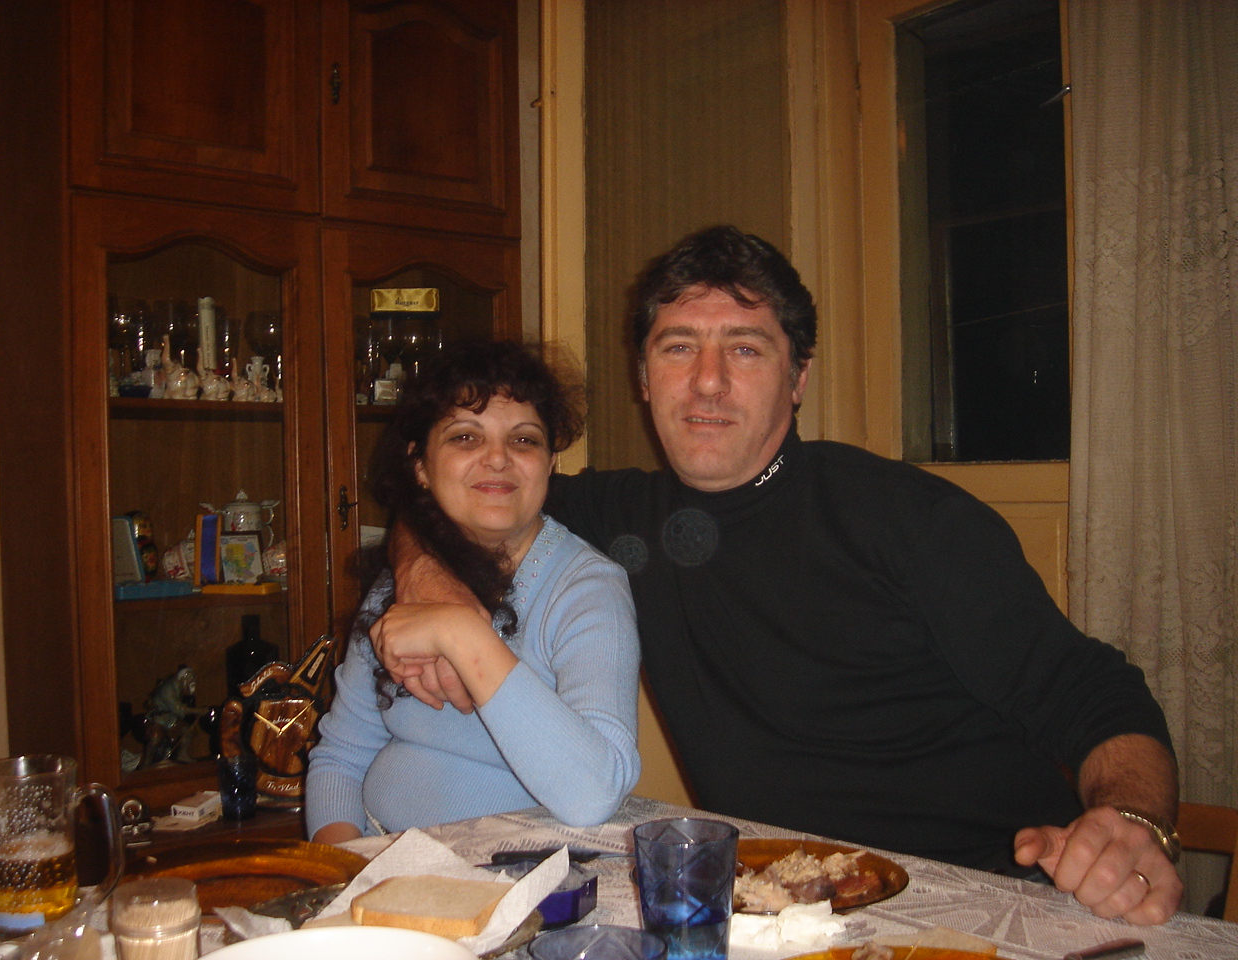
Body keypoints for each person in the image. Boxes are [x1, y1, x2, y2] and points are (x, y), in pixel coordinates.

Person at [379, 226, 1183, 925]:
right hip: (783, 908)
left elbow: (1094, 694)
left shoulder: (911, 521)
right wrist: (429, 583)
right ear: (644, 377)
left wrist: (1132, 821)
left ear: (798, 379)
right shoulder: (620, 517)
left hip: (988, 894)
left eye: (745, 348)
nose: (708, 380)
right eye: (679, 347)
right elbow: (447, 499)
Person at [304, 339, 641, 843]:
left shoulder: (588, 590)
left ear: (551, 463)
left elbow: (595, 793)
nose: (498, 458)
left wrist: (460, 632)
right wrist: (342, 870)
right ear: (420, 465)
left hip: (517, 872)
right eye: (465, 437)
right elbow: (341, 756)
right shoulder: (401, 582)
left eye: (524, 440)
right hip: (379, 859)